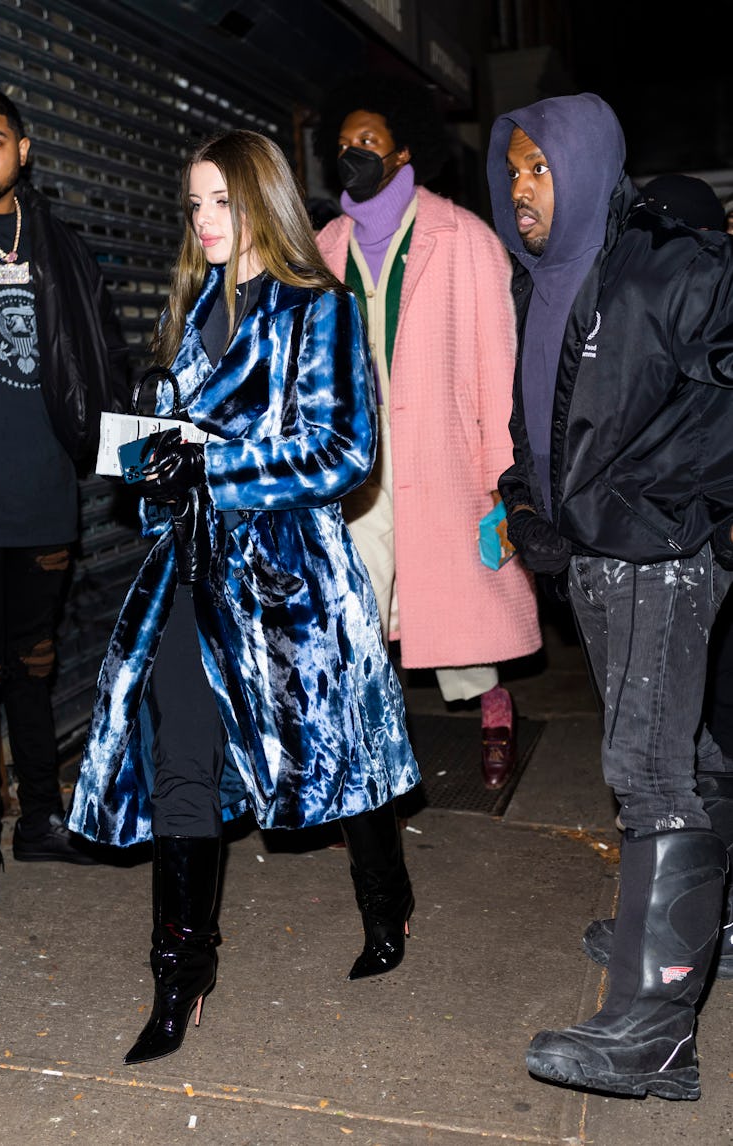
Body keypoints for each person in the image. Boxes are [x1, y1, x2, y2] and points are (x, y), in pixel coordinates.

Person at [65, 129, 421, 1066]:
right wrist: (152, 463)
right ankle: (180, 975)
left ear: (264, 199)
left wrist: (211, 466)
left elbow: (343, 452)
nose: (205, 220)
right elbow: (179, 453)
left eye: (222, 201)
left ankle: (386, 900)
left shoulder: (318, 307)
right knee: (180, 752)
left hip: (292, 581)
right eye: (194, 205)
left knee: (341, 760)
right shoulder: (196, 312)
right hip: (194, 571)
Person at [486, 92, 733, 1102]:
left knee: (647, 768)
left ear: (586, 167)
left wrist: (662, 500)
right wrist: (528, 500)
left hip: (656, 554)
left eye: (540, 169)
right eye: (513, 170)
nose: (521, 189)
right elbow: (543, 424)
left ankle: (654, 1033)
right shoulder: (545, 280)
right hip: (593, 557)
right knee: (686, 750)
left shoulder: (666, 265)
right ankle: (689, 928)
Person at [313, 75, 541, 792]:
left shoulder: (463, 238)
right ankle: (366, 752)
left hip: (444, 450)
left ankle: (493, 708)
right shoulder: (323, 247)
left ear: (404, 149)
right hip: (356, 457)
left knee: (458, 597)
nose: (353, 152)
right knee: (357, 607)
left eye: (368, 140)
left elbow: (498, 366)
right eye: (343, 143)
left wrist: (503, 477)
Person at [0, 87, 130, 919]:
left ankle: (39, 818)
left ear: (23, 150)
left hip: (44, 493)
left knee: (36, 663)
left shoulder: (60, 247)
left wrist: (128, 449)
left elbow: (104, 356)